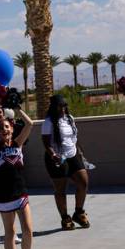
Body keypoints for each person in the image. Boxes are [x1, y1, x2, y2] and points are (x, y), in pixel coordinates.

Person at [0, 101, 41, 249]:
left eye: (7, 127)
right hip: (3, 194)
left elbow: (30, 124)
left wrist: (17, 108)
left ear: (12, 128)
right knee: (9, 231)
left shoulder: (18, 143)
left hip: (20, 192)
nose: (5, 130)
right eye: (1, 128)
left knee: (28, 229)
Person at [41, 95, 90, 230]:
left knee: (83, 182)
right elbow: (46, 142)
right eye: (60, 106)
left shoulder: (69, 118)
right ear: (53, 107)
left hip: (72, 154)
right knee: (61, 190)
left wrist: (80, 152)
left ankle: (79, 212)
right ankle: (65, 218)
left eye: (64, 105)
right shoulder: (48, 122)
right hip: (56, 158)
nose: (63, 108)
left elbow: (74, 138)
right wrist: (53, 155)